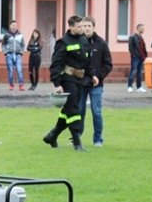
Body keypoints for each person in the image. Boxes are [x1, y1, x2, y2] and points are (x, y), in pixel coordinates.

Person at [44, 15, 99, 151]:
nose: (82, 29)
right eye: (79, 26)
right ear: (71, 26)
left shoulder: (83, 40)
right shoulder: (63, 42)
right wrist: (57, 84)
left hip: (80, 80)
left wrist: (92, 75)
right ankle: (77, 142)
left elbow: (87, 60)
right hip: (68, 79)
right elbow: (56, 64)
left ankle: (52, 135)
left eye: (83, 26)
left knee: (68, 110)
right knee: (74, 110)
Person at [79, 16, 113, 147]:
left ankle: (98, 139)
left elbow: (108, 64)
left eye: (89, 26)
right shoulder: (78, 42)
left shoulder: (101, 43)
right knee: (79, 110)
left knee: (96, 111)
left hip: (96, 84)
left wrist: (99, 76)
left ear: (93, 27)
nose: (86, 28)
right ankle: (77, 138)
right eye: (84, 26)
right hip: (81, 83)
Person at [1, 20, 26, 91]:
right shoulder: (6, 35)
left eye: (15, 25)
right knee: (10, 70)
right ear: (10, 26)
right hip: (9, 54)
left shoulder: (20, 35)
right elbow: (3, 45)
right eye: (13, 25)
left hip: (18, 55)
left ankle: (21, 85)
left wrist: (21, 53)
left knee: (19, 69)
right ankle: (11, 85)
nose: (14, 27)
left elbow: (23, 45)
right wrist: (6, 53)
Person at [127, 23, 147, 92]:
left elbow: (143, 47)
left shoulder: (141, 37)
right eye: (143, 28)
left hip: (141, 57)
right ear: (139, 28)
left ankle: (139, 87)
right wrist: (133, 55)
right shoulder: (132, 37)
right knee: (133, 71)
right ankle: (129, 86)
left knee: (139, 72)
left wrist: (145, 55)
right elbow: (130, 47)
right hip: (135, 57)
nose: (144, 29)